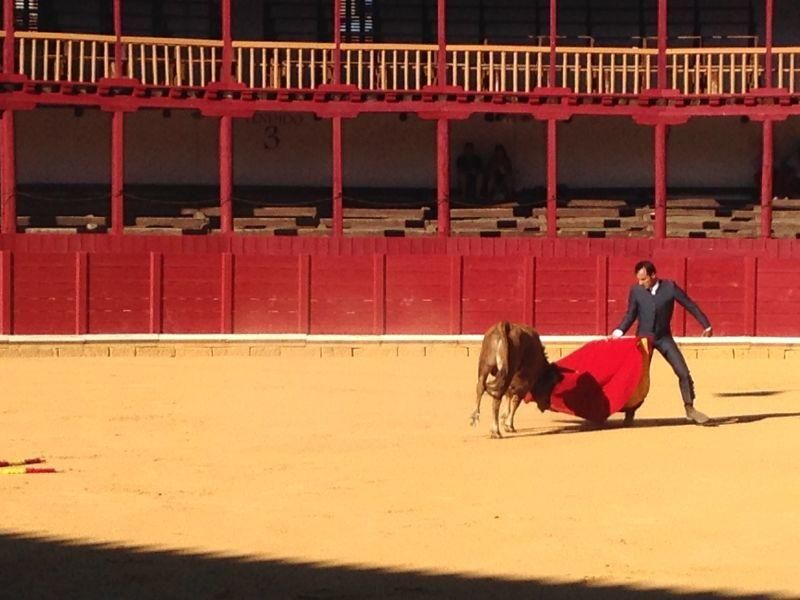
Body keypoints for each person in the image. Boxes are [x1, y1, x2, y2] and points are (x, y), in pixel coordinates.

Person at [611, 260, 713, 425]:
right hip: (643, 339)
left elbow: (689, 305)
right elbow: (631, 314)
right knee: (638, 378)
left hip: (664, 337)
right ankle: (629, 414)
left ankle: (690, 408)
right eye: (639, 279)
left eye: (644, 279)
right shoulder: (636, 291)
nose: (640, 282)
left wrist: (706, 324)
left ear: (653, 275)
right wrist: (619, 331)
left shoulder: (669, 287)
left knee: (683, 372)